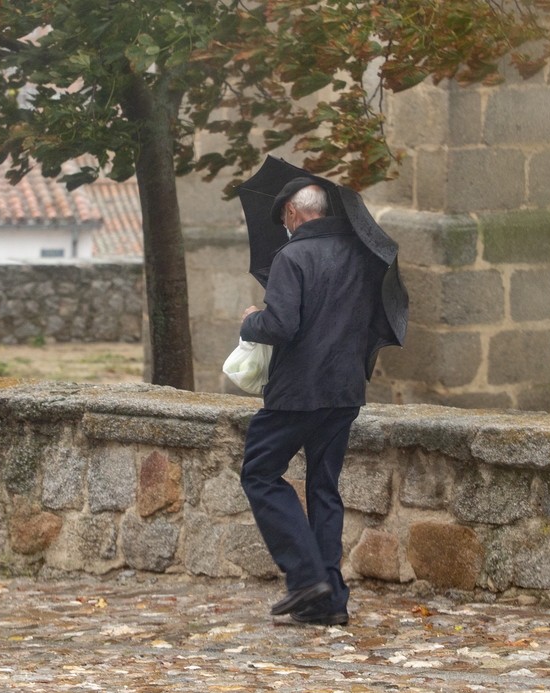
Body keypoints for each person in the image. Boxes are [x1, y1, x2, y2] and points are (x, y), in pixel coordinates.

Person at [238, 178, 388, 626]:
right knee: (324, 489)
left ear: (291, 213)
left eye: (283, 215)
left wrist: (251, 322)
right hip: (344, 392)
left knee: (260, 473)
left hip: (297, 393)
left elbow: (281, 325)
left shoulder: (292, 256)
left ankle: (305, 578)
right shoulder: (363, 256)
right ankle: (330, 603)